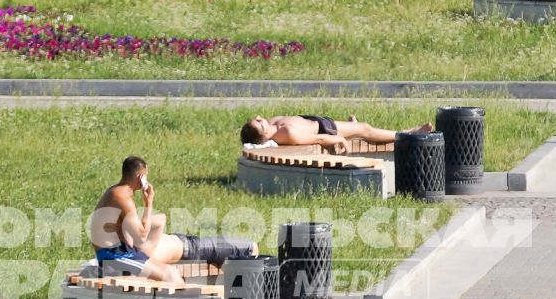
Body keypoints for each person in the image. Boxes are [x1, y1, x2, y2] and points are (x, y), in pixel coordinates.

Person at [89, 156, 255, 284]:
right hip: (115, 257)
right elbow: (140, 235)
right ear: (141, 177)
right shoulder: (122, 197)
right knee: (171, 274)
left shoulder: (114, 191)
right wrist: (149, 203)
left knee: (170, 271)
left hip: (118, 253)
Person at [240, 114, 432, 154]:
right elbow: (319, 138)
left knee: (358, 129)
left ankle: (351, 129)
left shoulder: (273, 123)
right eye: (258, 122)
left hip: (318, 121)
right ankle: (409, 134)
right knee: (365, 129)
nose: (259, 117)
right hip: (326, 129)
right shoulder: (286, 133)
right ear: (264, 134)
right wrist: (339, 138)